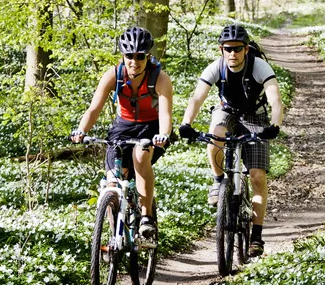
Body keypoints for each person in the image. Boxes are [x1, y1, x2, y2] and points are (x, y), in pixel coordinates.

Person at [178, 24, 283, 258]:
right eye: (228, 49)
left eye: (237, 49)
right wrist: (186, 123)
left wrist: (274, 126)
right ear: (221, 50)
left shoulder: (259, 66)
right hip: (227, 111)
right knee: (216, 134)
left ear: (245, 49)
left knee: (257, 177)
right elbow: (197, 97)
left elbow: (275, 99)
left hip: (255, 116)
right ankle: (218, 181)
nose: (232, 53)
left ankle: (256, 236)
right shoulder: (216, 67)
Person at [71, 27, 173, 243]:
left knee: (140, 156)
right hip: (122, 127)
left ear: (148, 56)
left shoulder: (160, 78)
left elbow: (165, 114)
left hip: (151, 127)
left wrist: (163, 135)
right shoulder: (114, 75)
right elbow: (93, 109)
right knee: (113, 183)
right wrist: (81, 130)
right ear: (123, 56)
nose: (134, 61)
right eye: (129, 56)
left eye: (140, 56)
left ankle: (146, 218)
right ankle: (114, 237)